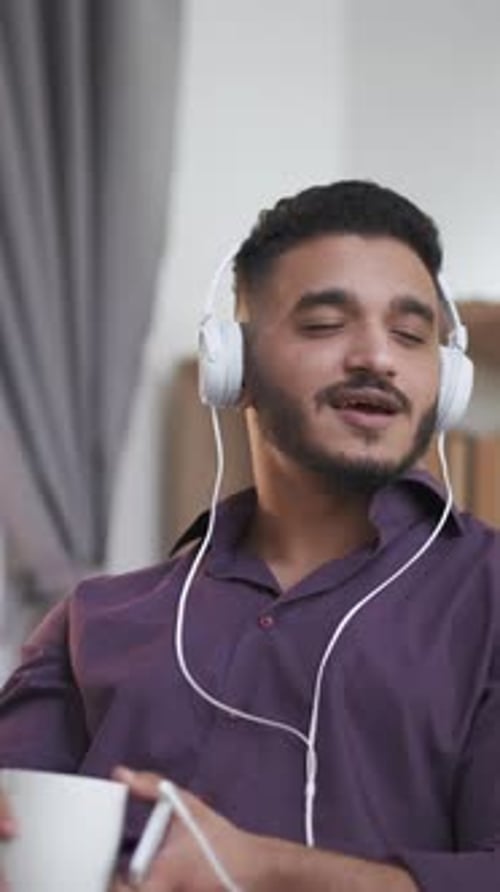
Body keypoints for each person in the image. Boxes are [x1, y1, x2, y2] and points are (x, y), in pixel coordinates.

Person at [0, 180, 499, 892]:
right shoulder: (92, 622)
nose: (377, 358)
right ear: (231, 365)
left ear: (444, 379)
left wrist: (264, 870)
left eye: (411, 336)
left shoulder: (488, 599)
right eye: (326, 324)